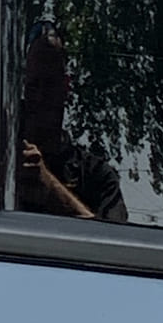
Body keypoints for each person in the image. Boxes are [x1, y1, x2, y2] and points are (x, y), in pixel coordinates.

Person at [17, 20, 127, 221]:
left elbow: (113, 243)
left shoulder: (97, 176)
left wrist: (49, 187)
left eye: (49, 84)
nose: (40, 97)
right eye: (33, 85)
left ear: (66, 86)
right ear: (23, 87)